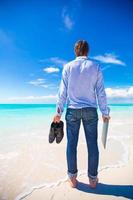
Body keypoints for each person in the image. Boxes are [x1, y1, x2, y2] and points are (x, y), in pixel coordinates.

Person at [53, 40, 110, 188]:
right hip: (91, 110)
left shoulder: (68, 67)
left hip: (72, 110)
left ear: (75, 51)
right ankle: (92, 180)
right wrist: (105, 112)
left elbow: (62, 92)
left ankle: (72, 179)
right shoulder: (95, 66)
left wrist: (58, 112)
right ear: (87, 51)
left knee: (71, 145)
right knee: (92, 145)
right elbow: (101, 92)